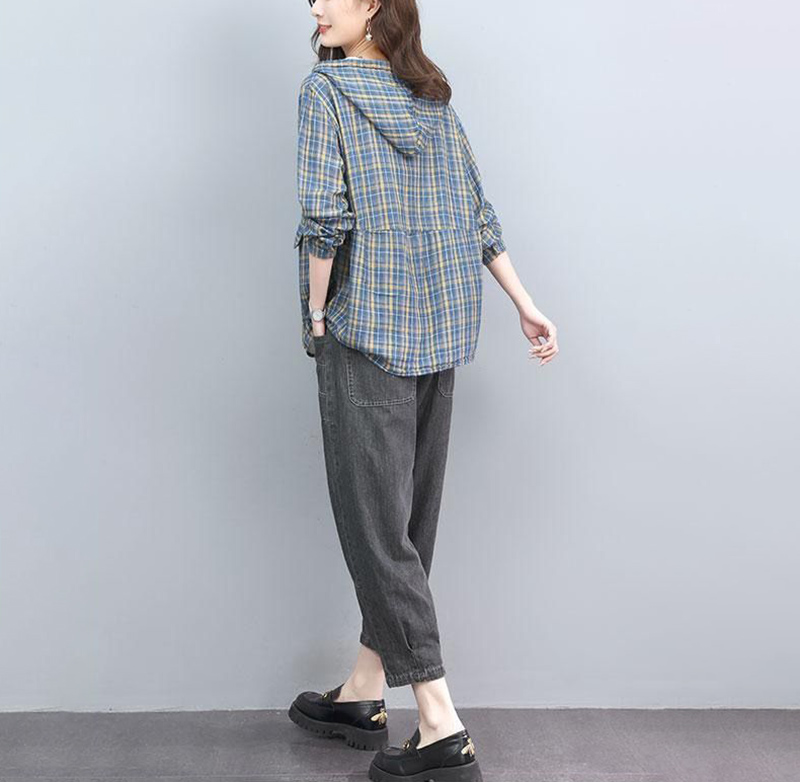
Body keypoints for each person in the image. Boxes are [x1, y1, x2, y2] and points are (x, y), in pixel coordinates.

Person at [288, 2, 559, 780]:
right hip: (442, 327)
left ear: (373, 5)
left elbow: (324, 219)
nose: (315, 7)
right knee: (408, 521)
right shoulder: (431, 95)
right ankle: (363, 691)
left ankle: (439, 724)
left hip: (367, 328)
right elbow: (478, 214)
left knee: (377, 529)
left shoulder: (325, 91)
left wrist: (316, 316)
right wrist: (524, 303)